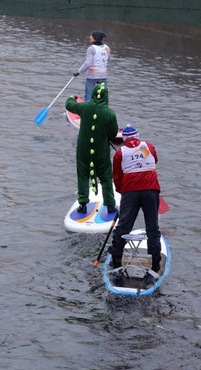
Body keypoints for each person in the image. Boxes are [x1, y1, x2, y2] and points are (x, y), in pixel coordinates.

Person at [109, 124, 162, 274]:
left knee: (124, 226)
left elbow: (117, 177)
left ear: (124, 139)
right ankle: (155, 266)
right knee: (152, 228)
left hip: (130, 192)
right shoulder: (149, 146)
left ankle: (116, 261)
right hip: (151, 190)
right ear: (137, 137)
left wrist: (122, 192)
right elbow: (155, 161)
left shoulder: (120, 153)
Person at [65, 80, 118, 215]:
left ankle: (83, 205)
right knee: (106, 177)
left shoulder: (84, 108)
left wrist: (73, 97)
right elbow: (112, 134)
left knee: (83, 175)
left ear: (93, 95)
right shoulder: (110, 114)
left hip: (83, 150)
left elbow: (69, 105)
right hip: (101, 151)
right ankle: (110, 205)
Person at [73, 30, 110, 103]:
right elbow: (108, 60)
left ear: (95, 38)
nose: (90, 37)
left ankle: (88, 112)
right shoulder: (107, 48)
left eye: (91, 36)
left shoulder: (91, 49)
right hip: (103, 75)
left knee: (89, 95)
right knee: (102, 96)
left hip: (92, 76)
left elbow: (88, 63)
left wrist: (79, 72)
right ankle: (101, 112)